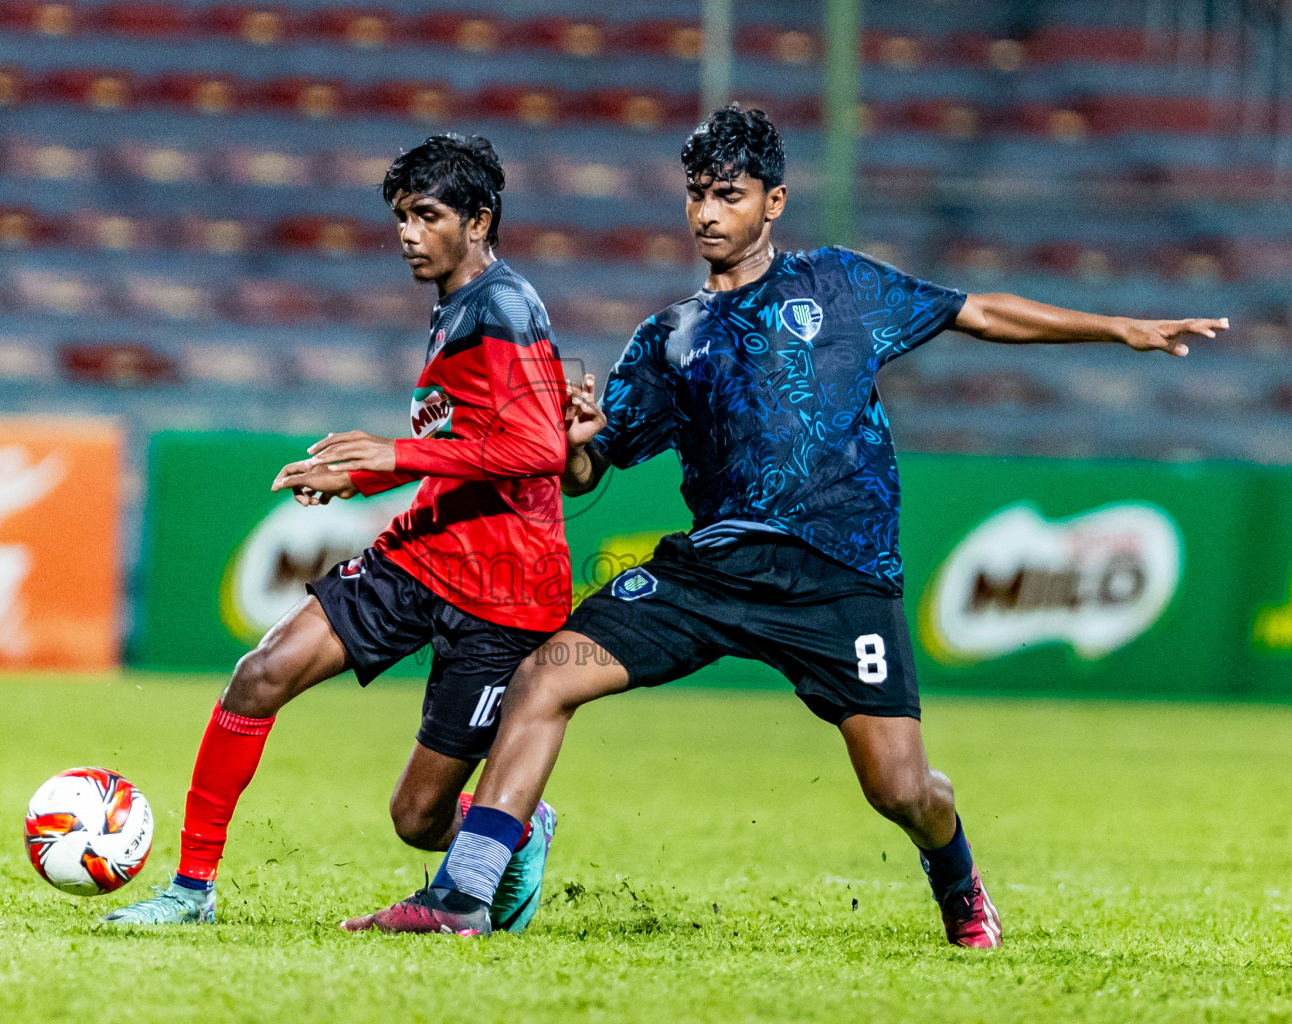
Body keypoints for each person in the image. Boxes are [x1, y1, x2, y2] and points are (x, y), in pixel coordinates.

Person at [343, 106, 1229, 945]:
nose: (705, 212)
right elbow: (584, 472)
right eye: (695, 193)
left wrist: (1117, 328)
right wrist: (575, 432)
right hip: (714, 572)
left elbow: (979, 310)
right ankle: (464, 895)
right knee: (546, 676)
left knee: (900, 787)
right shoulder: (669, 336)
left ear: (773, 202)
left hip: (841, 578)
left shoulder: (841, 282)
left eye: (727, 194)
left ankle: (958, 882)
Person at [104, 133, 578, 932]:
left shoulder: (505, 304)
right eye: (400, 216)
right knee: (262, 672)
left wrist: (394, 454)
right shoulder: (457, 304)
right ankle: (191, 890)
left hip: (505, 585)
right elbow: (467, 442)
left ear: (479, 220)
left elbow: (540, 448)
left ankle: (515, 829)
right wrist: (374, 474)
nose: (407, 233)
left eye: (426, 216)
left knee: (418, 820)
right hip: (426, 551)